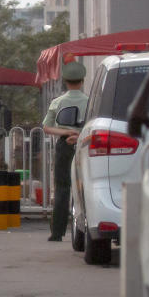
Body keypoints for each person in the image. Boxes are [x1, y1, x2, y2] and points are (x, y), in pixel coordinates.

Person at [42, 60, 88, 242]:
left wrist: (65, 132)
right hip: (85, 144)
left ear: (65, 81)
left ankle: (57, 232)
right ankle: (84, 228)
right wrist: (78, 135)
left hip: (64, 146)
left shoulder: (58, 102)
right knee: (85, 187)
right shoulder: (90, 101)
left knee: (62, 187)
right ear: (82, 80)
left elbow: (46, 127)